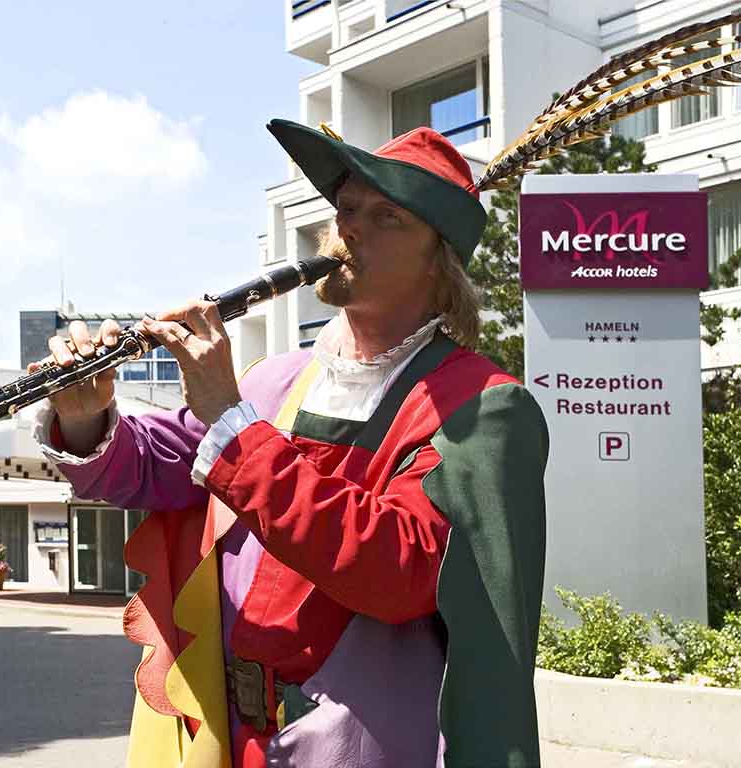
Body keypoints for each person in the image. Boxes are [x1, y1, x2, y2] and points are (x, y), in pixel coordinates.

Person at [31, 119, 549, 768]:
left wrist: (232, 424)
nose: (347, 229)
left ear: (438, 256)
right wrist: (85, 418)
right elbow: (159, 465)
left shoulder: (484, 405)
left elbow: (399, 570)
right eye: (346, 208)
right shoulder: (278, 378)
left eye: (385, 215)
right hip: (232, 739)